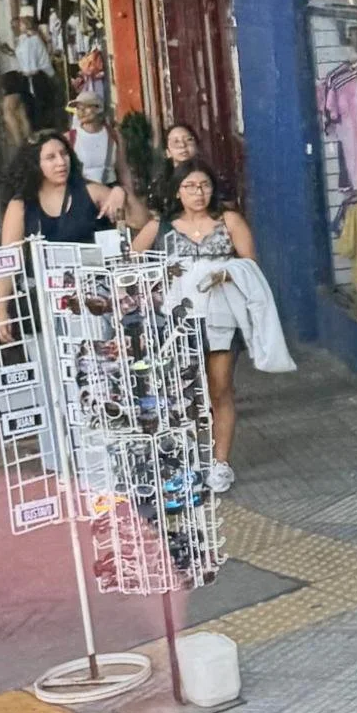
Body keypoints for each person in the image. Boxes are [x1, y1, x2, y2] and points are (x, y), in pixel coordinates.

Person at [133, 160, 255, 493]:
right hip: (178, 324)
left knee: (219, 390)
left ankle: (220, 464)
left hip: (222, 320)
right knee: (183, 396)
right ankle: (188, 461)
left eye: (204, 185)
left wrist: (229, 275)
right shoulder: (161, 228)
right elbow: (131, 266)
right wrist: (153, 293)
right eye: (190, 186)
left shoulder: (229, 222)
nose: (198, 193)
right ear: (177, 190)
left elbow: (251, 269)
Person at [0, 133, 132, 343]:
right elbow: (8, 261)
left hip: (91, 301)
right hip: (42, 305)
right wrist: (1, 310)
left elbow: (143, 221)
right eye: (50, 157)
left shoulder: (90, 191)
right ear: (34, 164)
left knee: (95, 364)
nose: (60, 162)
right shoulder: (21, 206)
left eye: (64, 154)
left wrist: (120, 192)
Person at [66, 92, 123, 187]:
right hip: (83, 191)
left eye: (86, 107)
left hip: (110, 189)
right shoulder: (70, 137)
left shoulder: (113, 135)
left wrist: (128, 192)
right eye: (78, 108)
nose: (81, 112)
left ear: (98, 108)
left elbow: (123, 169)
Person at [149, 121, 202, 219]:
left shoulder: (213, 178)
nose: (182, 145)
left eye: (189, 140)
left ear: (197, 146)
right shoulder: (160, 184)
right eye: (176, 142)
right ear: (167, 152)